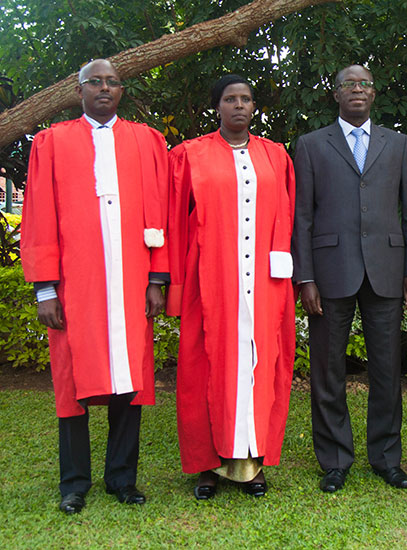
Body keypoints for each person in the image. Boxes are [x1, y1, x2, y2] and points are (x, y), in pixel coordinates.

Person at [21, 59, 168, 514]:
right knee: (72, 380)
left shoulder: (146, 140)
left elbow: (159, 211)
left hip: (131, 281)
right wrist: (45, 289)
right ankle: (74, 483)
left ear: (121, 91)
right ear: (78, 90)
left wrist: (157, 278)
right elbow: (39, 215)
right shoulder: (51, 142)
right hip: (76, 283)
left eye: (113, 82)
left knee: (130, 377)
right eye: (95, 82)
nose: (105, 88)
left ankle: (122, 478)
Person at [292, 64, 407, 493]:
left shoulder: (398, 144)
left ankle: (386, 458)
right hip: (329, 272)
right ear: (336, 94)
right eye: (348, 84)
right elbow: (302, 216)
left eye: (364, 84)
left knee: (387, 369)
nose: (357, 90)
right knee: (327, 370)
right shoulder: (311, 145)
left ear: (373, 93)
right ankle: (334, 459)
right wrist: (305, 277)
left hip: (387, 270)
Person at [166, 75, 296, 500]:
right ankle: (208, 466)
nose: (239, 105)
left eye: (246, 99)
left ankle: (252, 463)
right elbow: (174, 223)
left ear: (254, 107)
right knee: (205, 368)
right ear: (217, 106)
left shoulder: (275, 156)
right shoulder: (190, 155)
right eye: (229, 99)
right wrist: (174, 284)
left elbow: (288, 217)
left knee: (262, 367)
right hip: (211, 281)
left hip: (264, 283)